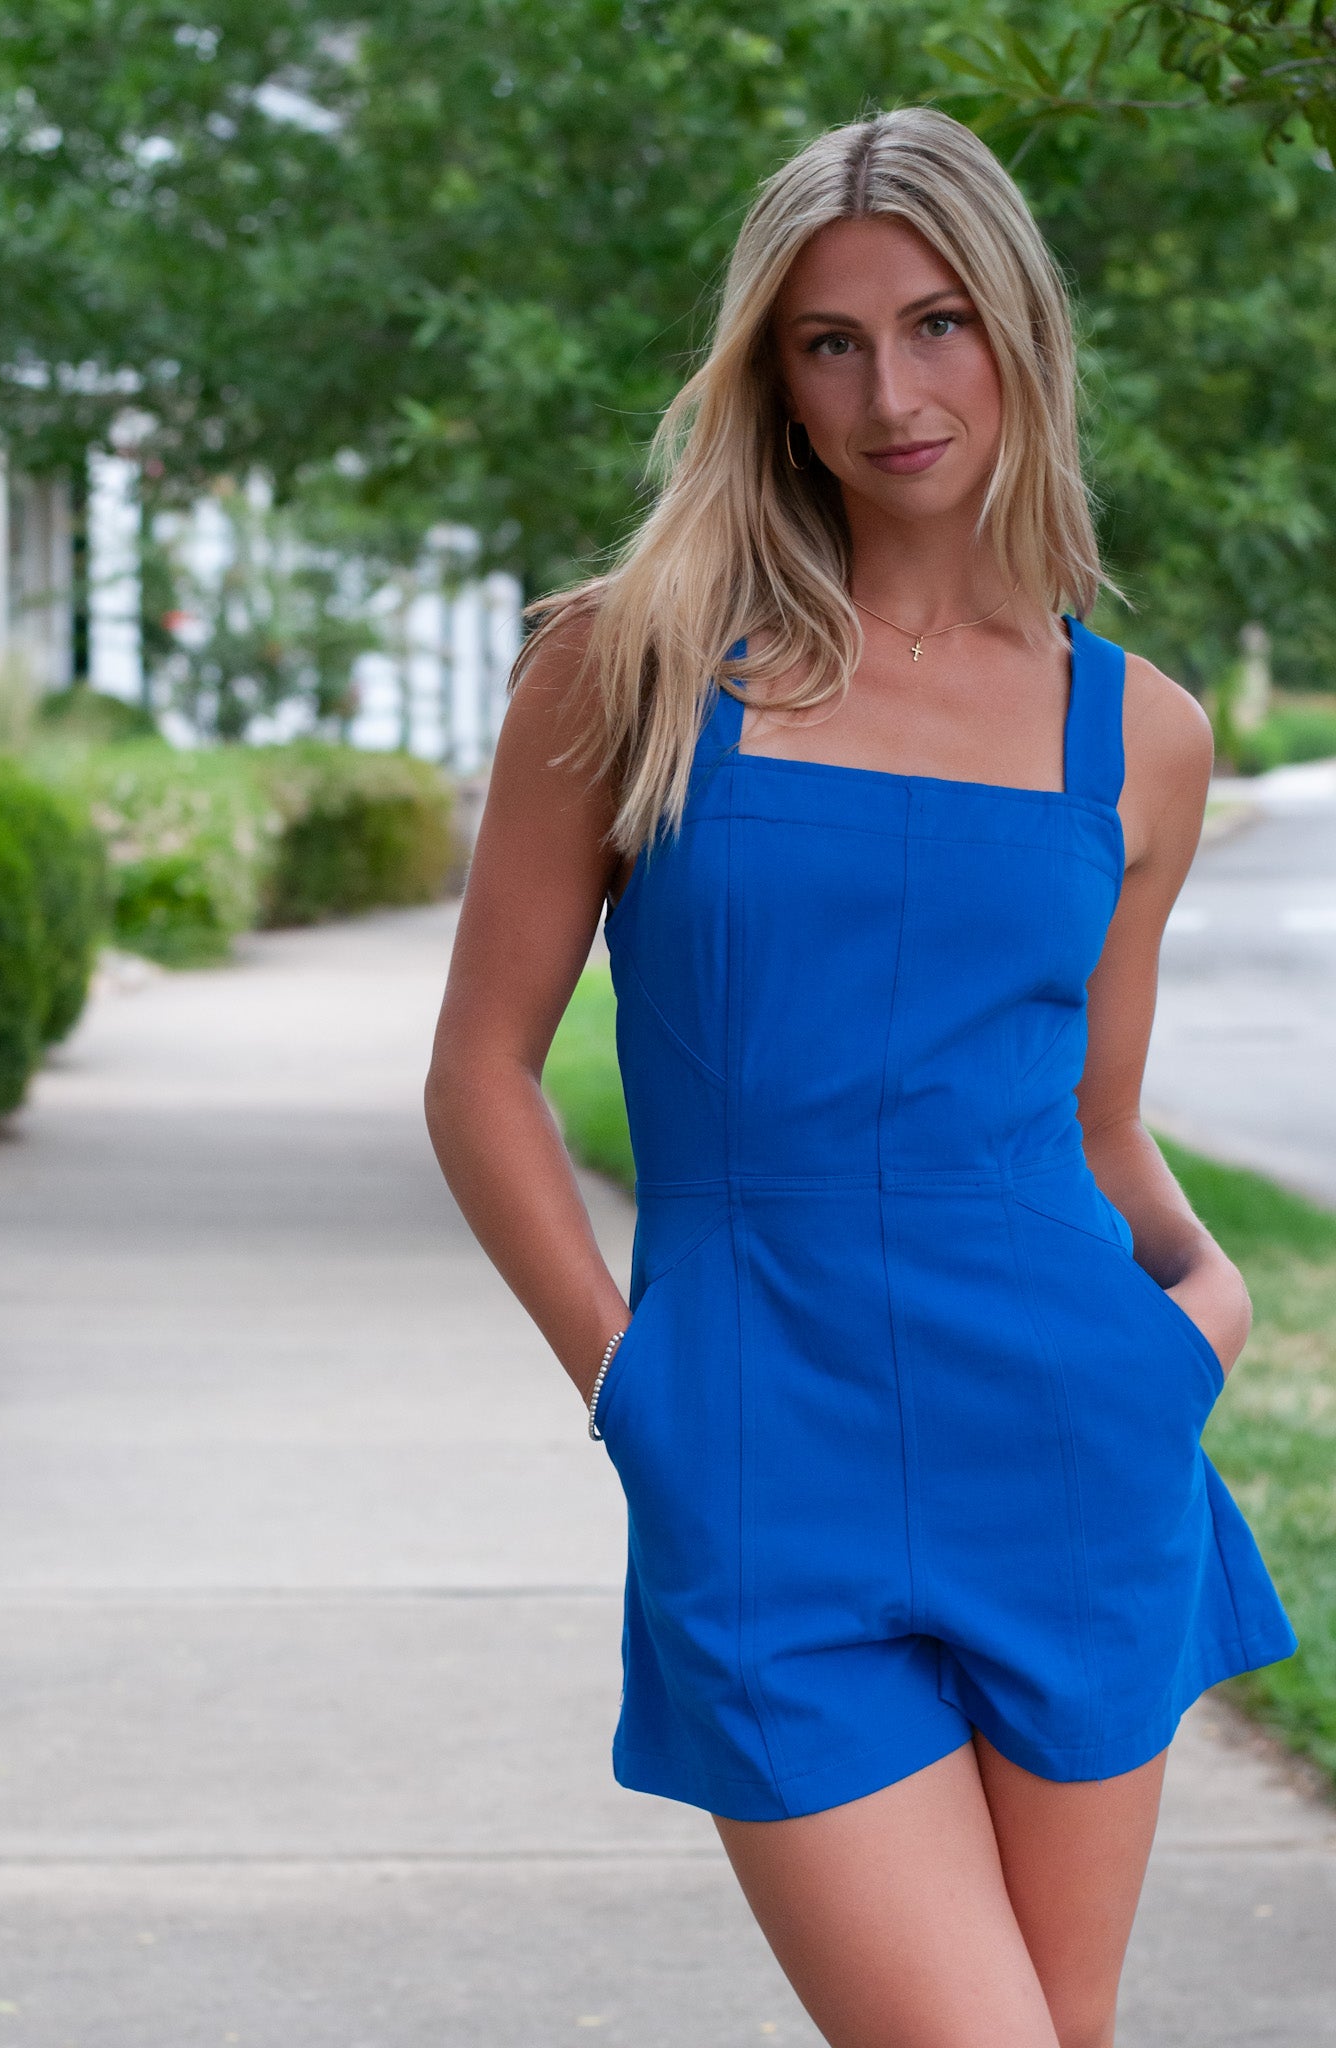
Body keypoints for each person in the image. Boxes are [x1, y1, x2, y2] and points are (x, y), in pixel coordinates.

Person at [425, 106, 1296, 2048]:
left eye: (934, 324)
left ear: (1017, 335)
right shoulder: (630, 666)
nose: (890, 393)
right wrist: (628, 1384)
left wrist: (1197, 1306)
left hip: (1071, 1451)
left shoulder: (1137, 735)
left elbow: (1093, 1118)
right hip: (761, 1460)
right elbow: (480, 1073)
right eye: (830, 342)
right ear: (771, 376)